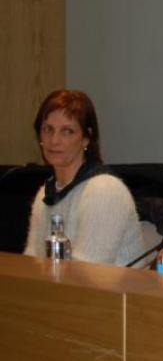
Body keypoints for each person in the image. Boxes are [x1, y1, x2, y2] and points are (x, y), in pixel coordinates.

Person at [24, 89, 144, 265]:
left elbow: (86, 274)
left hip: (113, 292)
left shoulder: (105, 190)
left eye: (67, 131)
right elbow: (31, 264)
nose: (54, 140)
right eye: (48, 129)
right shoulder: (44, 193)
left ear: (86, 138)